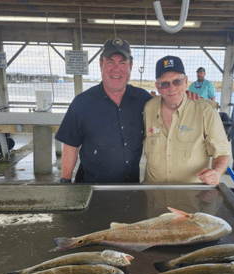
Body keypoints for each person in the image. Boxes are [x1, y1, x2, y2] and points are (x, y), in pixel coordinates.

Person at [55, 38, 199, 184]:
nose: (116, 68)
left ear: (130, 66)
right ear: (101, 64)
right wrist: (65, 182)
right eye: (111, 61)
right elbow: (70, 146)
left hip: (130, 190)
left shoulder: (144, 100)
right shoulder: (82, 103)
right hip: (91, 189)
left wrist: (183, 96)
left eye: (122, 63)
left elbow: (168, 104)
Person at [143, 56, 230, 185]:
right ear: (158, 87)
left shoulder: (206, 112)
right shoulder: (148, 108)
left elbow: (222, 152)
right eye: (165, 84)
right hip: (153, 192)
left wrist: (216, 172)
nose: (171, 88)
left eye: (177, 81)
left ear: (186, 82)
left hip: (191, 194)